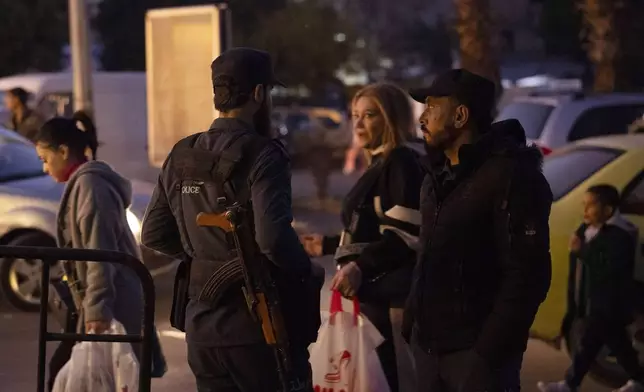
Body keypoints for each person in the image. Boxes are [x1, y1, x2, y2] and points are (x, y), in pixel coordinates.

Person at [140, 47, 323, 392]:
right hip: (257, 328)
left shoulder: (182, 152)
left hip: (201, 329)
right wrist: (305, 269)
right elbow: (273, 240)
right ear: (258, 94)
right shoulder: (264, 154)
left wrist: (203, 257)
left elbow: (153, 234)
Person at [403, 69, 553, 392]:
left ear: (460, 116)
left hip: (476, 358)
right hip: (429, 349)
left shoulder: (511, 176)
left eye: (431, 107)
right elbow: (427, 251)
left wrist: (486, 354)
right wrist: (412, 319)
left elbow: (528, 276)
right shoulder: (435, 178)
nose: (422, 118)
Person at [300, 82, 425, 392]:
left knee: (393, 380)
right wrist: (330, 245)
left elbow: (406, 234)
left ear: (391, 117)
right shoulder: (383, 162)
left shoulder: (402, 163)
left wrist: (359, 267)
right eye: (355, 114)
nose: (358, 123)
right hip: (375, 299)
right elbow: (373, 230)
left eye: (370, 115)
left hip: (393, 301)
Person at [33, 112, 144, 390]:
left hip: (113, 304)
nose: (45, 169)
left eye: (46, 160)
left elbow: (100, 252)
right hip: (108, 302)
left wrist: (97, 311)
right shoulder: (84, 183)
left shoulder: (91, 186)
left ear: (63, 151)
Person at [538, 185, 643, 392]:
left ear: (608, 210)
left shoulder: (620, 236)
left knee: (591, 345)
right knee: (614, 344)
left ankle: (570, 384)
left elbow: (608, 267)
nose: (584, 211)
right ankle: (638, 380)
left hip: (610, 303)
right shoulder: (587, 228)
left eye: (591, 206)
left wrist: (582, 250)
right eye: (583, 205)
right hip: (593, 302)